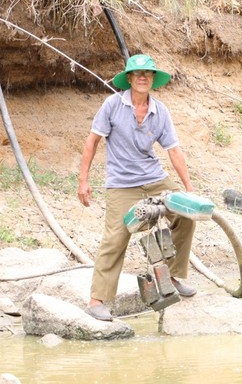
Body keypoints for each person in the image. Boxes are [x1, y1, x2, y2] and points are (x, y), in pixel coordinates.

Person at [78, 54, 197, 321]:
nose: (143, 77)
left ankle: (171, 277)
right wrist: (83, 181)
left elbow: (174, 151)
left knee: (186, 215)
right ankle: (97, 299)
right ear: (129, 78)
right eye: (138, 73)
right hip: (122, 184)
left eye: (148, 73)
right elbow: (92, 142)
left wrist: (188, 189)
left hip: (155, 179)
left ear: (153, 79)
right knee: (116, 236)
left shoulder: (160, 111)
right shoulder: (112, 105)